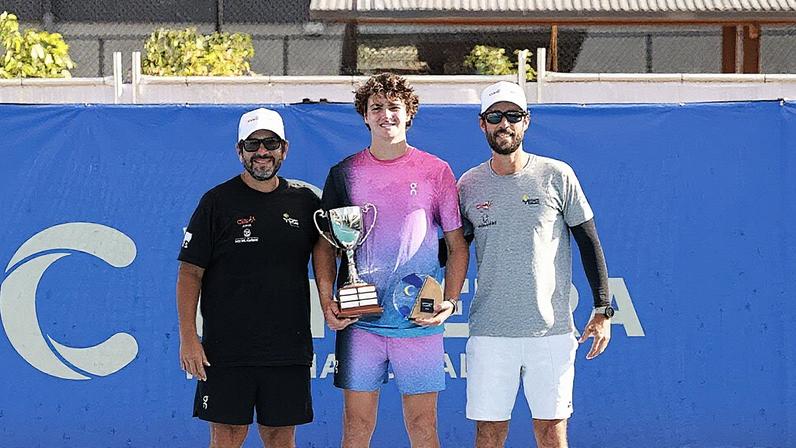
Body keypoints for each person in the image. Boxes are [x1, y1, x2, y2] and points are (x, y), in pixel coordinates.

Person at [314, 73, 469, 448]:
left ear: (409, 114)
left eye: (394, 107)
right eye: (377, 108)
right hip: (360, 323)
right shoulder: (345, 172)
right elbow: (326, 246)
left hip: (419, 323)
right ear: (365, 116)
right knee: (356, 428)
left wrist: (447, 302)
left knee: (422, 428)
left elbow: (458, 245)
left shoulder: (436, 171)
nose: (386, 115)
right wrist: (325, 298)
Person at [457, 81, 612, 448]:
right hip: (490, 333)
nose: (504, 124)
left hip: (552, 333)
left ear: (526, 122)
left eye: (513, 115)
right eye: (495, 116)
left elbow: (589, 243)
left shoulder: (558, 175)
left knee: (551, 433)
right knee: (489, 435)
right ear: (482, 124)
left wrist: (603, 308)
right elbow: (451, 253)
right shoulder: (468, 185)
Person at [177, 108, 321, 448]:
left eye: (270, 143)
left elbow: (328, 261)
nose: (261, 152)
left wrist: (337, 303)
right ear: (239, 151)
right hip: (226, 350)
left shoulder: (305, 202)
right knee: (227, 437)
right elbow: (189, 272)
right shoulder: (216, 202)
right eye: (252, 144)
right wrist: (188, 338)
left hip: (288, 349)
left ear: (284, 149)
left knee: (280, 438)